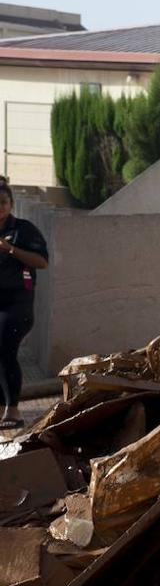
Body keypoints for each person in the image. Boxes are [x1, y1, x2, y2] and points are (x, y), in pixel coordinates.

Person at [0, 177, 49, 429]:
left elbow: (42, 262)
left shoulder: (23, 229)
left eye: (4, 202)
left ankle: (13, 410)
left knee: (4, 349)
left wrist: (11, 249)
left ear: (11, 204)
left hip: (17, 303)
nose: (0, 207)